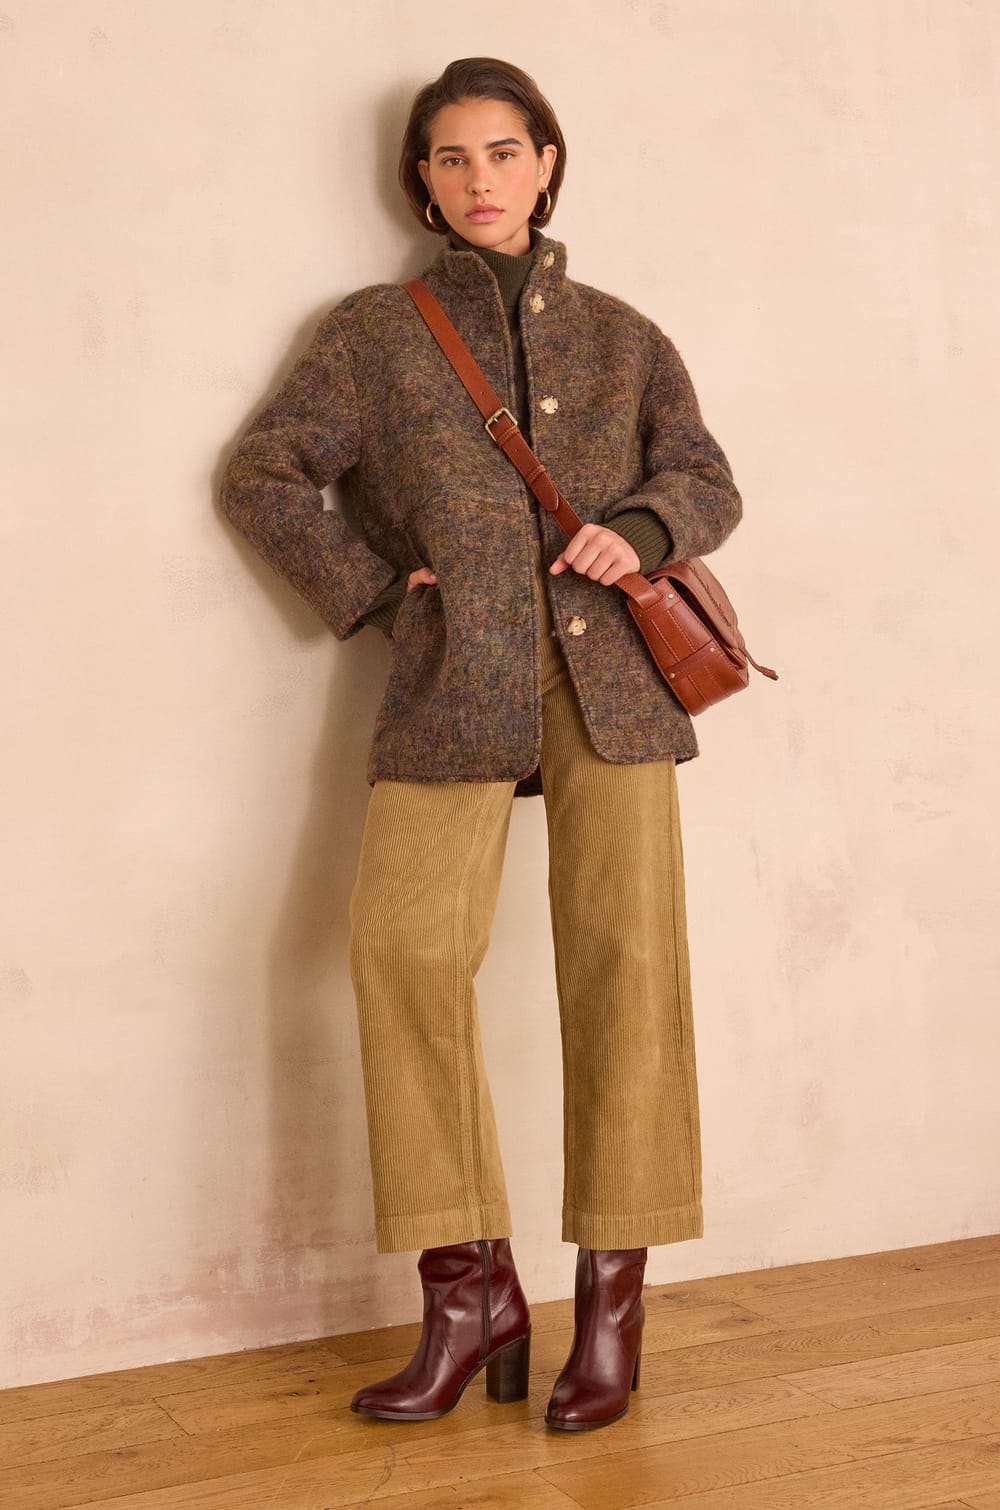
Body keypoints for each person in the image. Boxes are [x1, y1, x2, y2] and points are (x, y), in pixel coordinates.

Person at [219, 56, 743, 1432]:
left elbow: (705, 476)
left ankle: (612, 1303)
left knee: (626, 966)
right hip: (455, 682)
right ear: (422, 181)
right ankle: (470, 1293)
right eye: (451, 158)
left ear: (546, 162)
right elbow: (263, 473)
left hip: (614, 683)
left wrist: (639, 530)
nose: (480, 180)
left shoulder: (625, 336)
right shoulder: (374, 335)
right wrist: (381, 594)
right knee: (398, 949)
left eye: (504, 152)